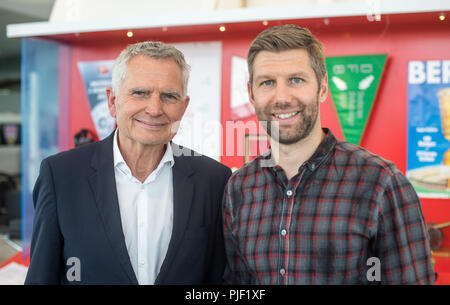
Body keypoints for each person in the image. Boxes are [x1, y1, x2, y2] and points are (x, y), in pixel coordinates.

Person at [222, 24, 434, 285]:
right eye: (267, 82)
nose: (282, 97)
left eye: (296, 80)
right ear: (251, 94)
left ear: (322, 88)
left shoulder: (382, 183)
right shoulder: (239, 188)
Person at [25, 41, 231, 285]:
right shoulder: (61, 176)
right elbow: (42, 278)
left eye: (169, 96)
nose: (154, 109)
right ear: (112, 101)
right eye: (140, 93)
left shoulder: (214, 180)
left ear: (184, 107)